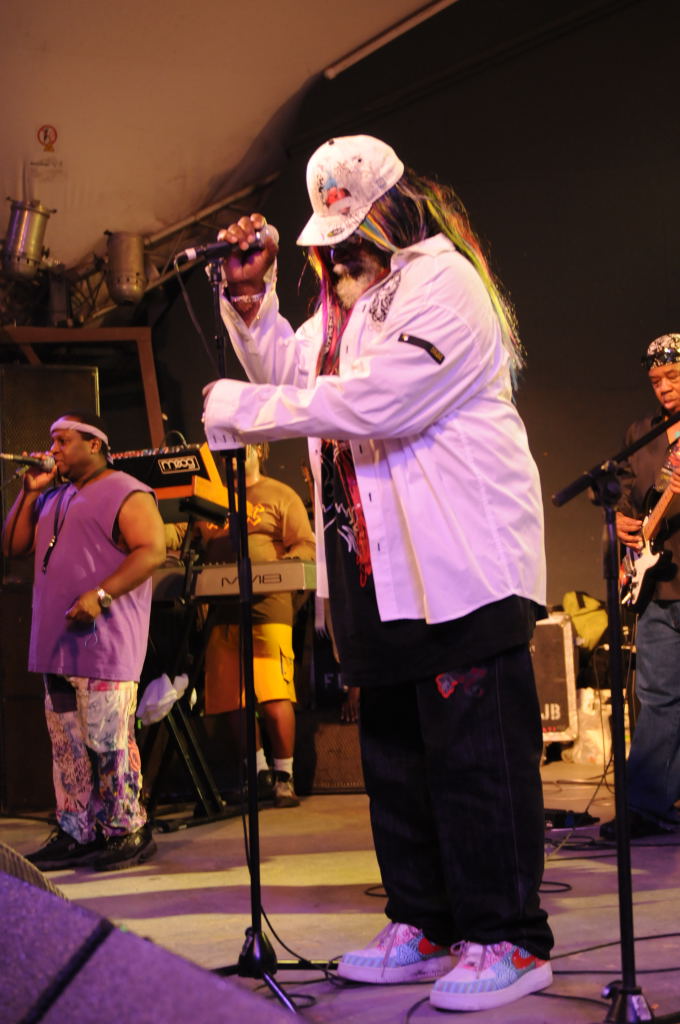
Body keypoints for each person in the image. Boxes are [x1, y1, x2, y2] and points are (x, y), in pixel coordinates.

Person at [202, 135, 553, 1012]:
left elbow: (380, 399)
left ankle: (508, 939)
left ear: (393, 211)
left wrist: (242, 409)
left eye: (352, 234)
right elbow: (294, 373)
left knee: (474, 762)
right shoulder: (346, 309)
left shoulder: (444, 284)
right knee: (396, 760)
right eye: (329, 240)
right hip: (375, 575)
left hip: (460, 567)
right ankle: (424, 922)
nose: (336, 254)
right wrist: (248, 302)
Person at [1, 412, 166, 871]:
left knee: (108, 741)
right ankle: (77, 829)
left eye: (63, 440)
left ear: (94, 444)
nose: (52, 449)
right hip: (55, 645)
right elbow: (13, 546)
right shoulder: (53, 495)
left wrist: (101, 594)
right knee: (67, 747)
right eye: (52, 440)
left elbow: (153, 550)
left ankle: (126, 829)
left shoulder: (126, 490)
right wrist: (29, 492)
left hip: (104, 644)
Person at [196, 442, 315, 807]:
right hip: (223, 610)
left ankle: (284, 776)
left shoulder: (281, 494)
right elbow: (185, 537)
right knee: (234, 698)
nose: (233, 454)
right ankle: (258, 773)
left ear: (260, 450)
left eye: (242, 446)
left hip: (269, 606)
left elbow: (306, 546)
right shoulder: (210, 497)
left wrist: (278, 571)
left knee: (275, 695)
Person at [600, 333, 680, 841]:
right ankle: (646, 806)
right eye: (656, 381)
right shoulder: (642, 433)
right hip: (657, 586)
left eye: (672, 376)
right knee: (657, 696)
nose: (664, 388)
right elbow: (629, 499)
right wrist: (621, 522)